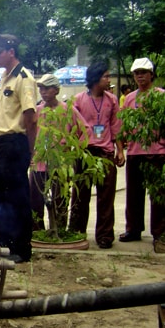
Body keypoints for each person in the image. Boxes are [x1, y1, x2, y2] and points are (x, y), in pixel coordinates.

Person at [0, 34, 37, 263]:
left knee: (17, 197)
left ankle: (21, 248)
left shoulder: (24, 78)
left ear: (11, 51)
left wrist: (30, 151)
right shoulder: (5, 77)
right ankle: (2, 243)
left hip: (15, 143)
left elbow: (31, 118)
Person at [69, 62, 125, 249]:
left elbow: (116, 126)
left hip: (106, 153)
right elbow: (72, 127)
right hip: (85, 153)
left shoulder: (112, 100)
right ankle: (76, 232)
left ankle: (105, 236)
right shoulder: (78, 100)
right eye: (106, 77)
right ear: (95, 79)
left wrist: (119, 150)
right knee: (80, 195)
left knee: (106, 197)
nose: (109, 80)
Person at [29, 74, 90, 231]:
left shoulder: (68, 110)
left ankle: (59, 229)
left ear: (56, 90)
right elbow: (28, 133)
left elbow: (85, 130)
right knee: (35, 197)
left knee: (60, 197)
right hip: (39, 162)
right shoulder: (37, 111)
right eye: (41, 89)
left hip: (61, 163)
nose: (43, 92)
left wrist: (76, 150)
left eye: (47, 88)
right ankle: (37, 229)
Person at [118, 58, 165, 245]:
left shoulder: (161, 96)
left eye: (143, 72)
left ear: (151, 74)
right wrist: (121, 150)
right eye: (137, 73)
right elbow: (122, 127)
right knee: (134, 193)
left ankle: (160, 231)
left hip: (157, 151)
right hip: (136, 152)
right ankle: (133, 229)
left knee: (158, 195)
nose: (140, 76)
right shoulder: (130, 98)